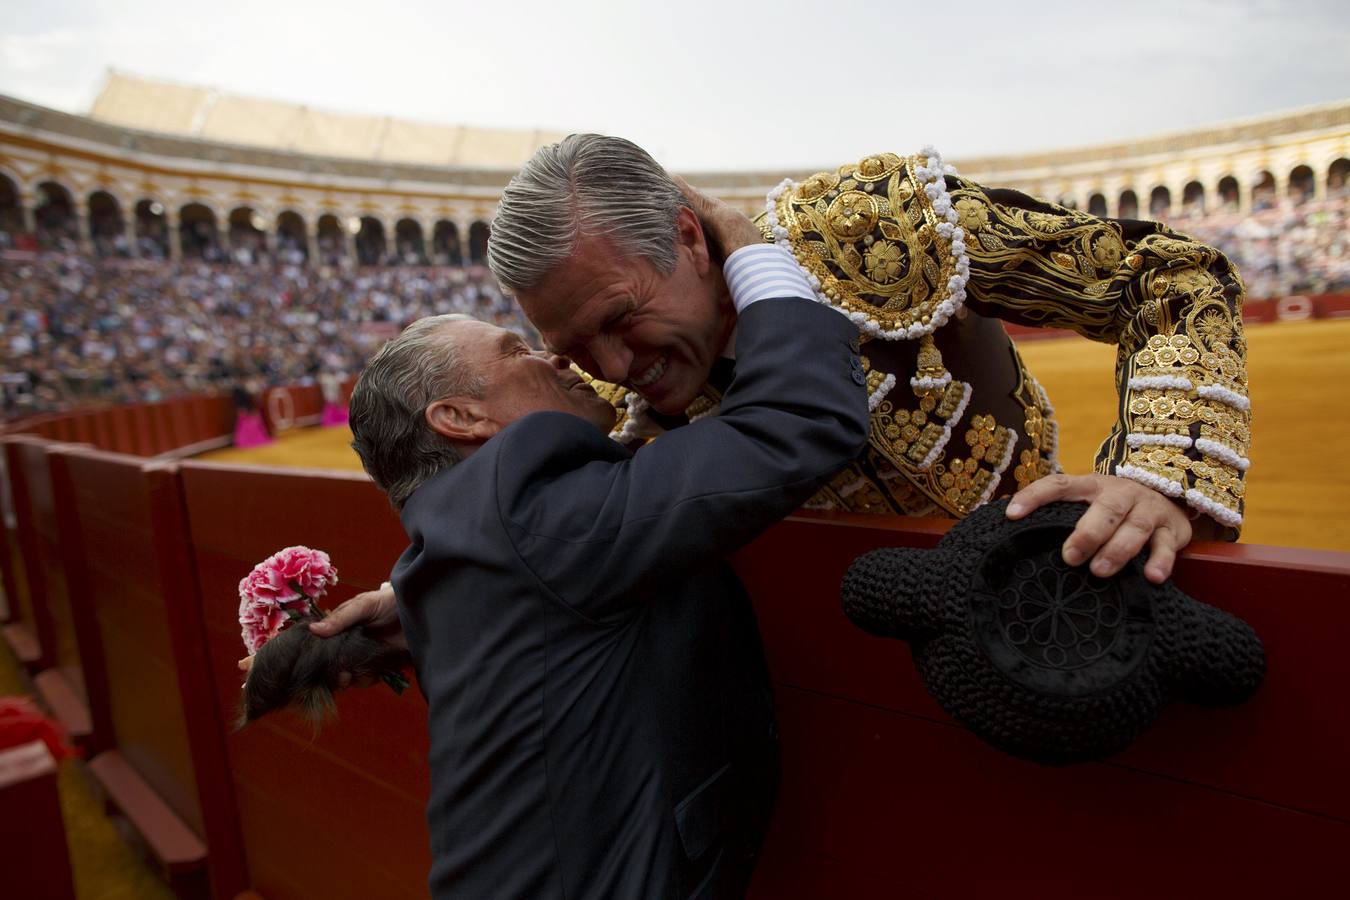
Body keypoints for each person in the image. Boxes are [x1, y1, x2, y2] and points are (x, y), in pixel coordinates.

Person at [306, 187, 868, 898]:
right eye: (517, 352)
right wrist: (746, 245)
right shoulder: (531, 509)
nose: (558, 359)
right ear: (461, 416)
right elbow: (794, 418)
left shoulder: (457, 550)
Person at [478, 135, 1250, 586]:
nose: (613, 367)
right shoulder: (608, 402)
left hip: (1039, 586)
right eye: (574, 349)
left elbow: (1163, 274)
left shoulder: (869, 225)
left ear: (688, 238)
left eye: (621, 318)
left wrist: (1161, 471)